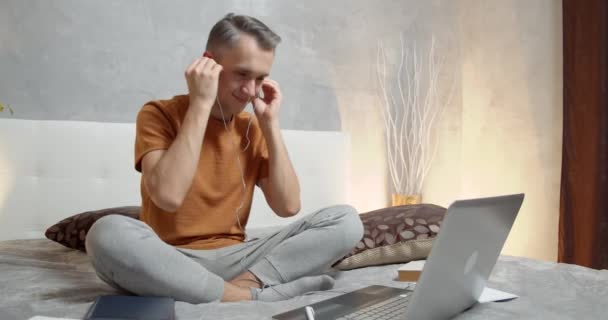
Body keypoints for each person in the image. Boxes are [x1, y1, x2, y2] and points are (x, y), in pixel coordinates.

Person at [85, 13, 363, 304]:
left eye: (260, 78)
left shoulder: (252, 127)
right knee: (105, 233)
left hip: (239, 258)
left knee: (346, 220)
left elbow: (288, 206)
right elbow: (168, 196)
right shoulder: (158, 114)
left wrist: (270, 124)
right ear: (209, 64)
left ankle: (243, 286)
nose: (250, 91)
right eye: (242, 74)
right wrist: (201, 103)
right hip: (169, 259)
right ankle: (250, 297)